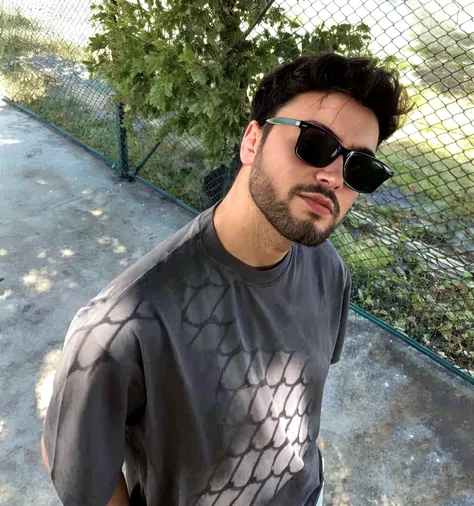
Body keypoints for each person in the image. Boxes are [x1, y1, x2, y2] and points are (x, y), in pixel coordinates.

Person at [41, 52, 411, 506]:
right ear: (252, 142)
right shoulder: (124, 324)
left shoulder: (328, 271)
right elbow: (70, 460)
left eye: (360, 169)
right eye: (315, 143)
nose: (335, 177)